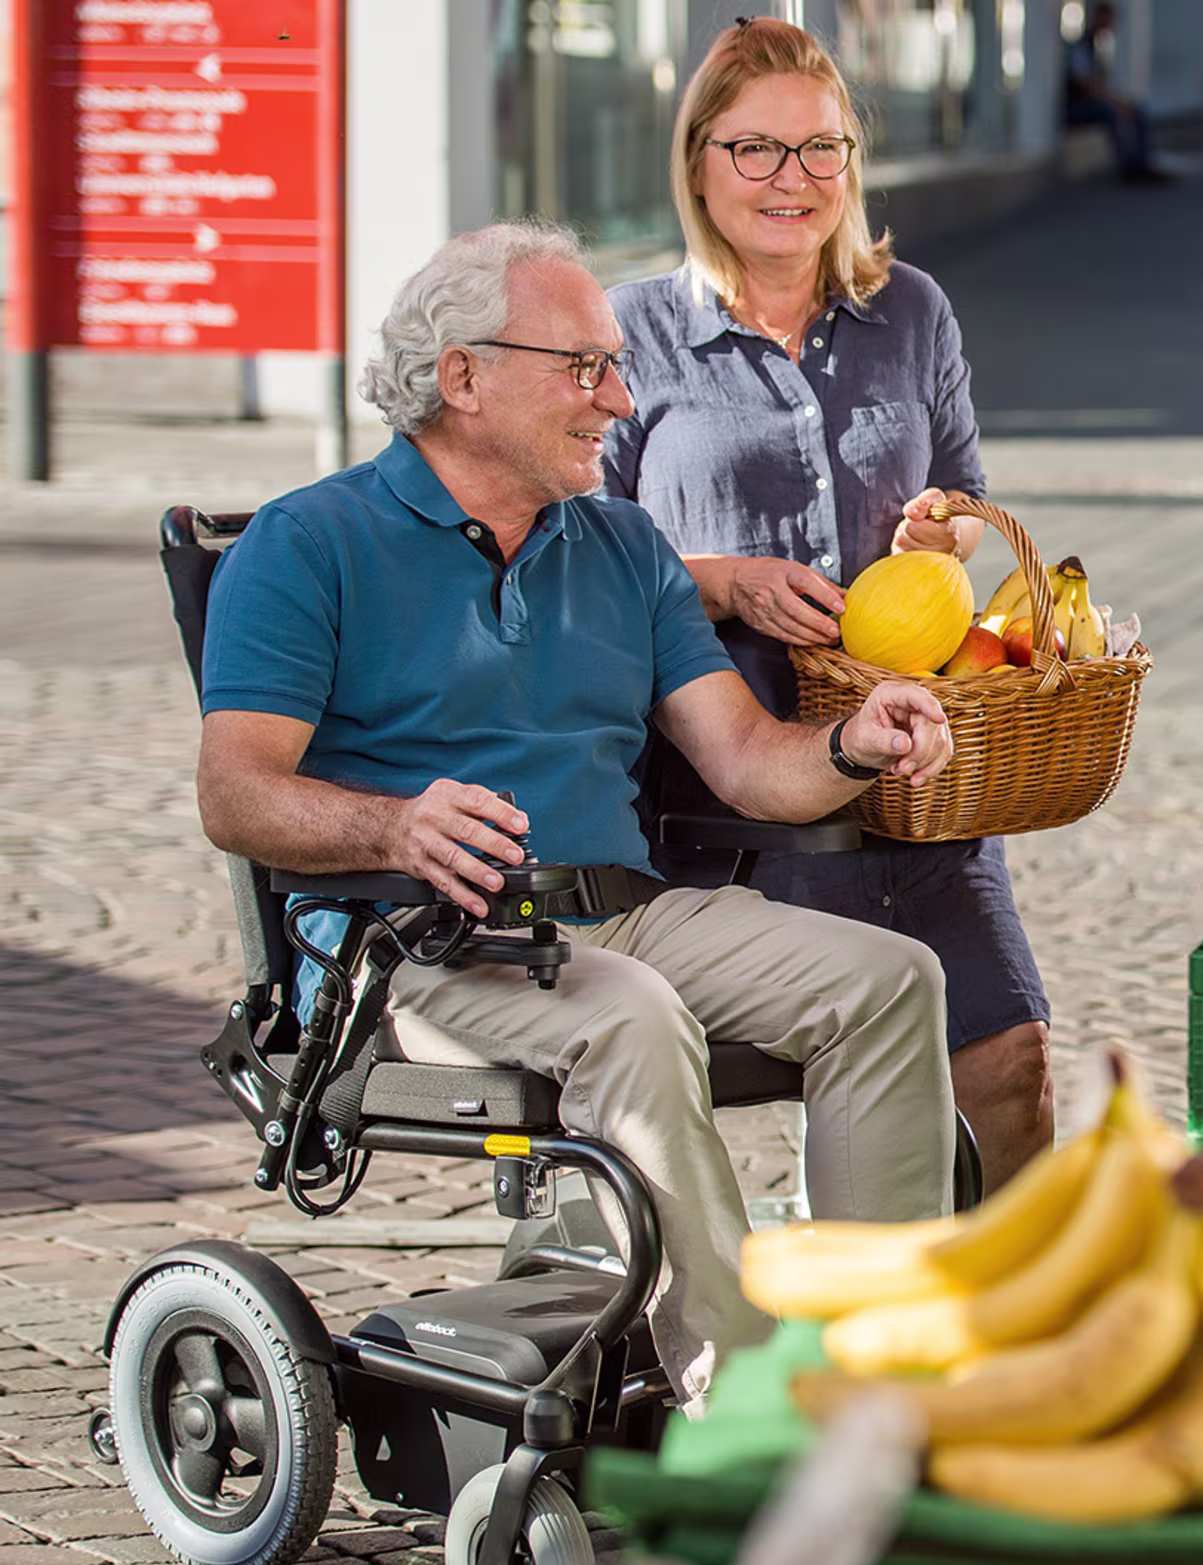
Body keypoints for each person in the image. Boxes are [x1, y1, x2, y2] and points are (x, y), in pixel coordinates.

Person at [194, 218, 959, 1413]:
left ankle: (886, 1380)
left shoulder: (621, 544)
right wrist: (395, 829)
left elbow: (751, 763)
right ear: (463, 377)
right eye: (585, 367)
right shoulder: (310, 544)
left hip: (620, 917)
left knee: (890, 977)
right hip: (418, 949)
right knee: (634, 1020)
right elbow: (235, 794)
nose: (620, 396)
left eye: (615, 363)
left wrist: (855, 747)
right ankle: (748, 1409)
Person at [602, 17, 1053, 1192]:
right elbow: (578, 560)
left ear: (852, 163)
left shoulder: (911, 310)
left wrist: (938, 535)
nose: (790, 181)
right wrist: (717, 582)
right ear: (698, 160)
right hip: (725, 780)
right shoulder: (629, 332)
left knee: (1009, 1065)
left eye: (819, 150)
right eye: (755, 150)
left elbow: (965, 498)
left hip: (910, 765)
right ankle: (842, 1309)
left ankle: (1020, 1328)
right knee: (827, 1060)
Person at [1062, 2, 1173, 185]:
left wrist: (1119, 101)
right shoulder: (1081, 46)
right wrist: (1115, 102)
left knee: (1138, 111)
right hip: (1076, 106)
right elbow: (1086, 83)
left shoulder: (1102, 48)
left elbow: (1101, 82)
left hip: (1093, 101)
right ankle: (1128, 167)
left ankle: (1141, 163)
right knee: (1112, 113)